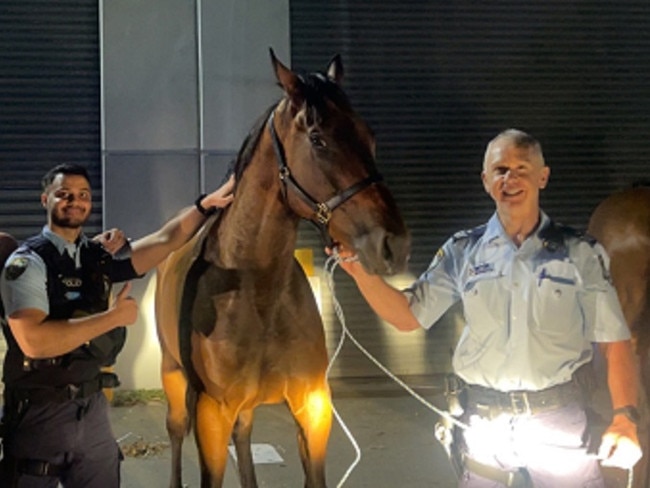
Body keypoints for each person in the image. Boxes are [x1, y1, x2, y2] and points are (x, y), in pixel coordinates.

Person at [333, 129, 642, 487]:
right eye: (500, 170)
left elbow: (614, 342)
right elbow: (408, 315)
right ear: (486, 180)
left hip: (557, 422)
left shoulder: (580, 253)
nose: (509, 178)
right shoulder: (462, 251)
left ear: (543, 176)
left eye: (521, 168)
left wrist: (624, 417)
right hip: (484, 425)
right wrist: (361, 274)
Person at [0, 163, 234, 487]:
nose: (75, 201)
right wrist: (113, 318)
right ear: (45, 200)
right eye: (63, 194)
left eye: (83, 195)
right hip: (39, 413)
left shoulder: (95, 258)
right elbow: (34, 342)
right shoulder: (28, 263)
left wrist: (202, 206)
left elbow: (166, 240)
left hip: (93, 409)